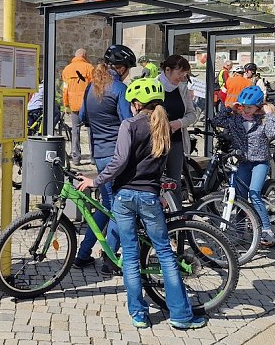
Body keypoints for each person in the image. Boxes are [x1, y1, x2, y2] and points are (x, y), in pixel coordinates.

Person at [76, 78, 208, 330]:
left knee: (131, 257)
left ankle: (138, 314)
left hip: (124, 197)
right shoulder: (165, 127)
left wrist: (96, 181)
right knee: (166, 254)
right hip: (149, 196)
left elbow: (119, 162)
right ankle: (181, 315)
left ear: (136, 103)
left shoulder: (129, 125)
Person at [74, 44, 136, 275]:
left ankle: (82, 253)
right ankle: (110, 259)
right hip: (117, 155)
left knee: (106, 205)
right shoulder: (119, 89)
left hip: (98, 154)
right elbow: (128, 122)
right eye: (128, 68)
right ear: (120, 68)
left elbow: (82, 117)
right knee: (119, 209)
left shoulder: (92, 87)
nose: (128, 72)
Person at [211, 85, 275, 245]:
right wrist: (229, 108)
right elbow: (217, 121)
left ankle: (266, 229)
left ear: (258, 107)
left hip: (260, 162)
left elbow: (272, 134)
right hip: (243, 162)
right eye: (244, 107)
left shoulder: (262, 120)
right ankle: (239, 231)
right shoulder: (236, 119)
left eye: (250, 107)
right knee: (240, 197)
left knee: (254, 194)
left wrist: (269, 115)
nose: (246, 110)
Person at [157, 55, 197, 184]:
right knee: (155, 180)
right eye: (180, 73)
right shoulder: (154, 86)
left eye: (184, 74)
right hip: (157, 142)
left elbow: (192, 114)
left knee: (175, 182)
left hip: (176, 141)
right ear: (167, 70)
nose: (182, 77)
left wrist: (179, 123)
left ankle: (176, 205)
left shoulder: (182, 88)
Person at [62, 48, 94, 165]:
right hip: (88, 105)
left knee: (75, 131)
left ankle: (76, 158)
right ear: (84, 56)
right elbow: (94, 87)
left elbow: (65, 89)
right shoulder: (90, 68)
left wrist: (66, 104)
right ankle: (93, 158)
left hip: (74, 104)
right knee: (91, 131)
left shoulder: (67, 69)